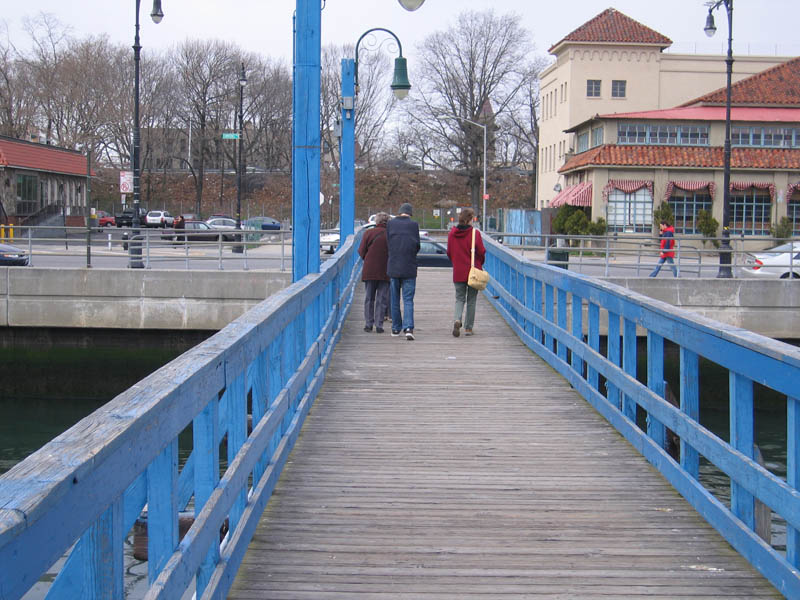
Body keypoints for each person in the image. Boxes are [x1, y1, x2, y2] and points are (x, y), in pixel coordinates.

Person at [447, 207, 485, 337]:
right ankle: (468, 328)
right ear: (469, 219)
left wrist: (456, 262)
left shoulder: (452, 233)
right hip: (473, 272)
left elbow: (449, 252)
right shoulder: (475, 233)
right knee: (472, 300)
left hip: (458, 271)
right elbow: (481, 251)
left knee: (459, 298)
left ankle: (457, 319)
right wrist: (480, 263)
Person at [386, 202, 420, 340]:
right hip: (409, 267)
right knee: (408, 300)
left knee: (394, 299)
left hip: (394, 266)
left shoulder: (390, 224)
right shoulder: (414, 225)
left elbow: (388, 243)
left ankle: (395, 328)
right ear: (410, 213)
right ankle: (408, 328)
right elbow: (417, 245)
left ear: (399, 212)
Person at [358, 212, 390, 333]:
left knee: (369, 297)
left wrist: (368, 259)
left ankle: (368, 323)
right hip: (385, 270)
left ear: (376, 222)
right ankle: (379, 324)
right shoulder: (391, 234)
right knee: (382, 298)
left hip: (370, 270)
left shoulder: (368, 233)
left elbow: (361, 251)